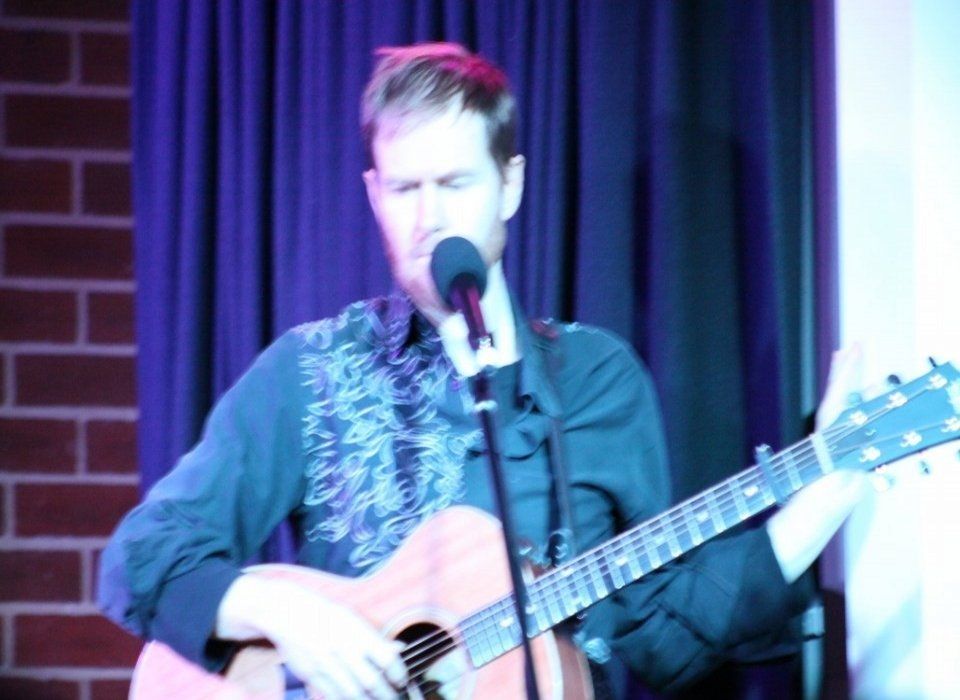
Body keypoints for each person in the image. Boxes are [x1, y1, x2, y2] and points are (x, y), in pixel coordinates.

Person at [99, 43, 867, 699]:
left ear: (512, 186)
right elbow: (142, 556)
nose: (428, 218)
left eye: (455, 184)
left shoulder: (596, 381)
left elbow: (661, 630)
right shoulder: (312, 371)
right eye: (404, 188)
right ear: (374, 195)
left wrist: (827, 488)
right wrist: (277, 610)